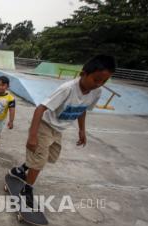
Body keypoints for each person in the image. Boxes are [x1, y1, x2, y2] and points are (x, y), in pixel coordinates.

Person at [9, 54, 116, 207]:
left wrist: (82, 130)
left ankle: (21, 169)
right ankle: (27, 190)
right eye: (96, 79)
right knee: (40, 159)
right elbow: (40, 109)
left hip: (58, 129)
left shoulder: (96, 92)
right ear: (83, 74)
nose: (98, 84)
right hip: (44, 125)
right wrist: (32, 136)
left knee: (48, 156)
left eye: (104, 81)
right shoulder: (67, 89)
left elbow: (83, 109)